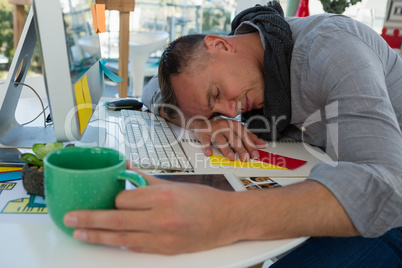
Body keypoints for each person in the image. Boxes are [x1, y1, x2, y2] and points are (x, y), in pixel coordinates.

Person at [63, 1, 402, 265]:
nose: (230, 111)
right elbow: (154, 89)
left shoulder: (332, 51)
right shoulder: (252, 55)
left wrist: (226, 217)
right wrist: (204, 121)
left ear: (220, 46)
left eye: (215, 96)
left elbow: (387, 185)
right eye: (216, 109)